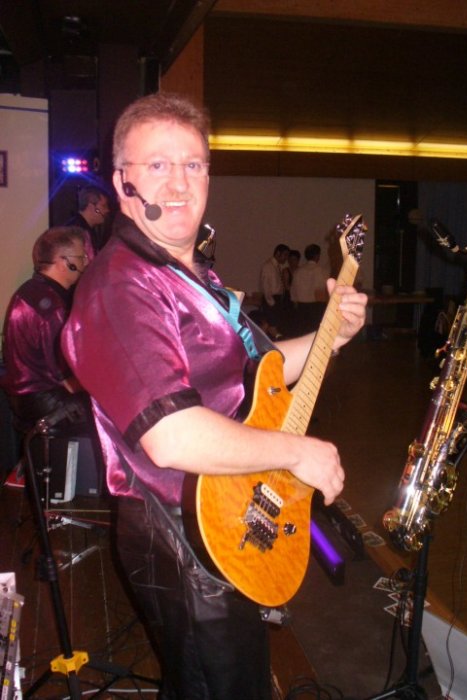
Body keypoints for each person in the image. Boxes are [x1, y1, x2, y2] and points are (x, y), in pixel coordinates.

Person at [61, 92, 367, 700]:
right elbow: (172, 436)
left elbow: (261, 371)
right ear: (121, 182)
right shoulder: (121, 285)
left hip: (230, 514)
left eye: (193, 165)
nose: (179, 183)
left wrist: (332, 335)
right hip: (182, 534)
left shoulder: (189, 273)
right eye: (158, 165)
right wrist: (298, 452)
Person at [1, 226, 90, 431]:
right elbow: (64, 376)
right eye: (81, 257)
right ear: (64, 262)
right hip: (48, 402)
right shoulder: (53, 307)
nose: (85, 262)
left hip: (26, 400)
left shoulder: (28, 291)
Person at [291, 243, 329, 334]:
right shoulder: (321, 271)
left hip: (301, 307)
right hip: (317, 307)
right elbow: (325, 289)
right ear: (317, 256)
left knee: (303, 332)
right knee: (316, 333)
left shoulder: (298, 271)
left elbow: (293, 291)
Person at [65, 185, 111, 256]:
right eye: (104, 206)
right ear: (91, 207)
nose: (107, 210)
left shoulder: (87, 230)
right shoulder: (77, 231)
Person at [259, 243, 290, 330]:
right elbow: (265, 285)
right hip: (271, 299)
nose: (286, 258)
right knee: (272, 325)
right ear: (278, 253)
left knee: (270, 324)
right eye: (285, 255)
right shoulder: (268, 266)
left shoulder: (277, 266)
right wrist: (271, 302)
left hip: (276, 299)